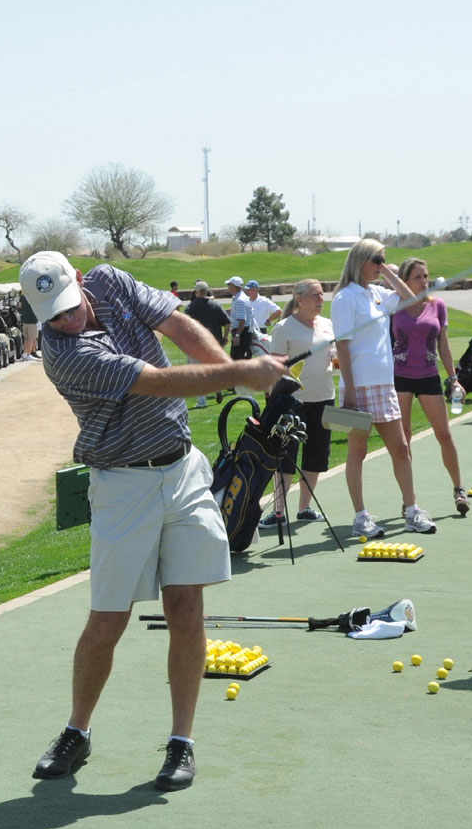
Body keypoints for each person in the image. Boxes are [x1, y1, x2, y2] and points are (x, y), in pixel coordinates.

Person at [19, 251, 284, 791]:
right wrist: (242, 372)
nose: (66, 320)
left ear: (78, 282)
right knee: (108, 619)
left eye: (70, 307)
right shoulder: (63, 355)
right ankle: (78, 729)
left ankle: (181, 741)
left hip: (182, 470)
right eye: (53, 316)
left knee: (186, 606)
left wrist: (236, 384)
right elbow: (158, 381)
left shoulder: (111, 282)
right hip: (121, 485)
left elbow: (178, 324)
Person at [330, 239, 437, 538]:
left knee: (401, 449)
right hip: (357, 386)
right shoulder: (344, 298)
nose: (380, 264)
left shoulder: (377, 293)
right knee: (358, 450)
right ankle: (360, 517)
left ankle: (411, 510)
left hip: (384, 384)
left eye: (383, 259)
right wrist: (349, 389)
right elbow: (343, 346)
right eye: (377, 260)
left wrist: (391, 274)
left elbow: (413, 301)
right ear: (361, 260)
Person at [392, 258, 469, 516]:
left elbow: (443, 345)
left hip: (428, 375)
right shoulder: (395, 305)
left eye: (426, 276)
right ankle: (409, 500)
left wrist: (453, 378)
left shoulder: (438, 306)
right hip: (400, 376)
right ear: (405, 280)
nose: (425, 281)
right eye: (418, 277)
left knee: (444, 434)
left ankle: (459, 489)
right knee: (404, 439)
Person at [262, 279, 335, 526]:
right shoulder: (283, 328)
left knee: (316, 455)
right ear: (299, 299)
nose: (320, 299)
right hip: (292, 402)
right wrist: (273, 400)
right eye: (315, 295)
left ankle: (305, 508)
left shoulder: (328, 325)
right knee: (285, 457)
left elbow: (333, 359)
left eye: (322, 294)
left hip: (325, 398)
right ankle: (279, 512)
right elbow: (275, 368)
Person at [184, 279, 230, 407]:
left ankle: (201, 401)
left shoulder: (191, 306)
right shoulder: (215, 305)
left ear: (196, 292)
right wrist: (225, 337)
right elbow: (227, 321)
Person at [224, 275, 260, 359]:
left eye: (229, 285)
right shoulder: (241, 298)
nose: (228, 287)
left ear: (234, 286)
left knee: (237, 359)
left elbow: (242, 321)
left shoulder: (240, 300)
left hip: (241, 332)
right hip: (244, 332)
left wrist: (237, 336)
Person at [19, 288, 40, 361]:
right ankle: (28, 354)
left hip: (24, 319)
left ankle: (24, 353)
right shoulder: (33, 297)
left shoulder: (22, 296)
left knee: (26, 338)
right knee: (31, 338)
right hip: (31, 320)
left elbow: (19, 307)